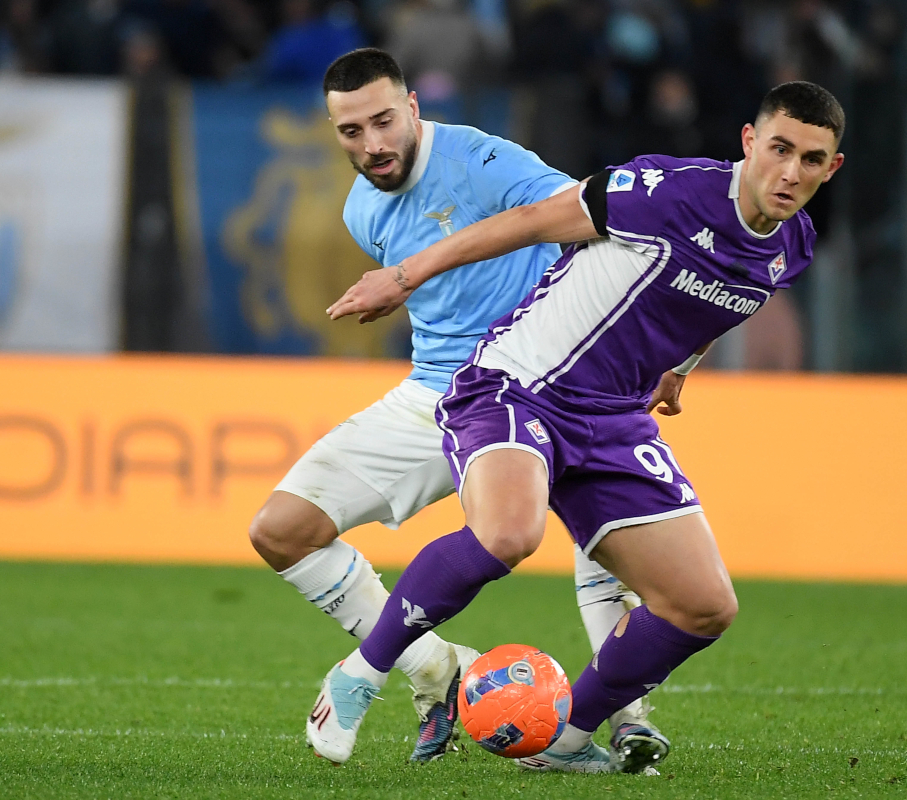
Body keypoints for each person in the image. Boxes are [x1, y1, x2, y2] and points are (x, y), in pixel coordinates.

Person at [311, 80, 845, 773]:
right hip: (519, 384)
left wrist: (680, 367)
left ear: (831, 168)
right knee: (508, 534)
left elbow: (721, 300)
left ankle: (565, 736)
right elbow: (532, 221)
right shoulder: (664, 191)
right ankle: (359, 674)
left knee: (704, 606)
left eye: (810, 159)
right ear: (749, 142)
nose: (790, 172)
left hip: (613, 419)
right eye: (779, 149)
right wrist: (405, 276)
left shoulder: (791, 245)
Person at [249, 47, 665, 764]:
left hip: (542, 380)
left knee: (599, 528)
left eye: (384, 121)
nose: (372, 144)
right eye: (351, 132)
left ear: (413, 108)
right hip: (438, 392)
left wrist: (634, 345)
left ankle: (625, 715)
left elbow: (592, 220)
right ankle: (438, 671)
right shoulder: (361, 208)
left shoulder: (481, 160)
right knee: (281, 530)